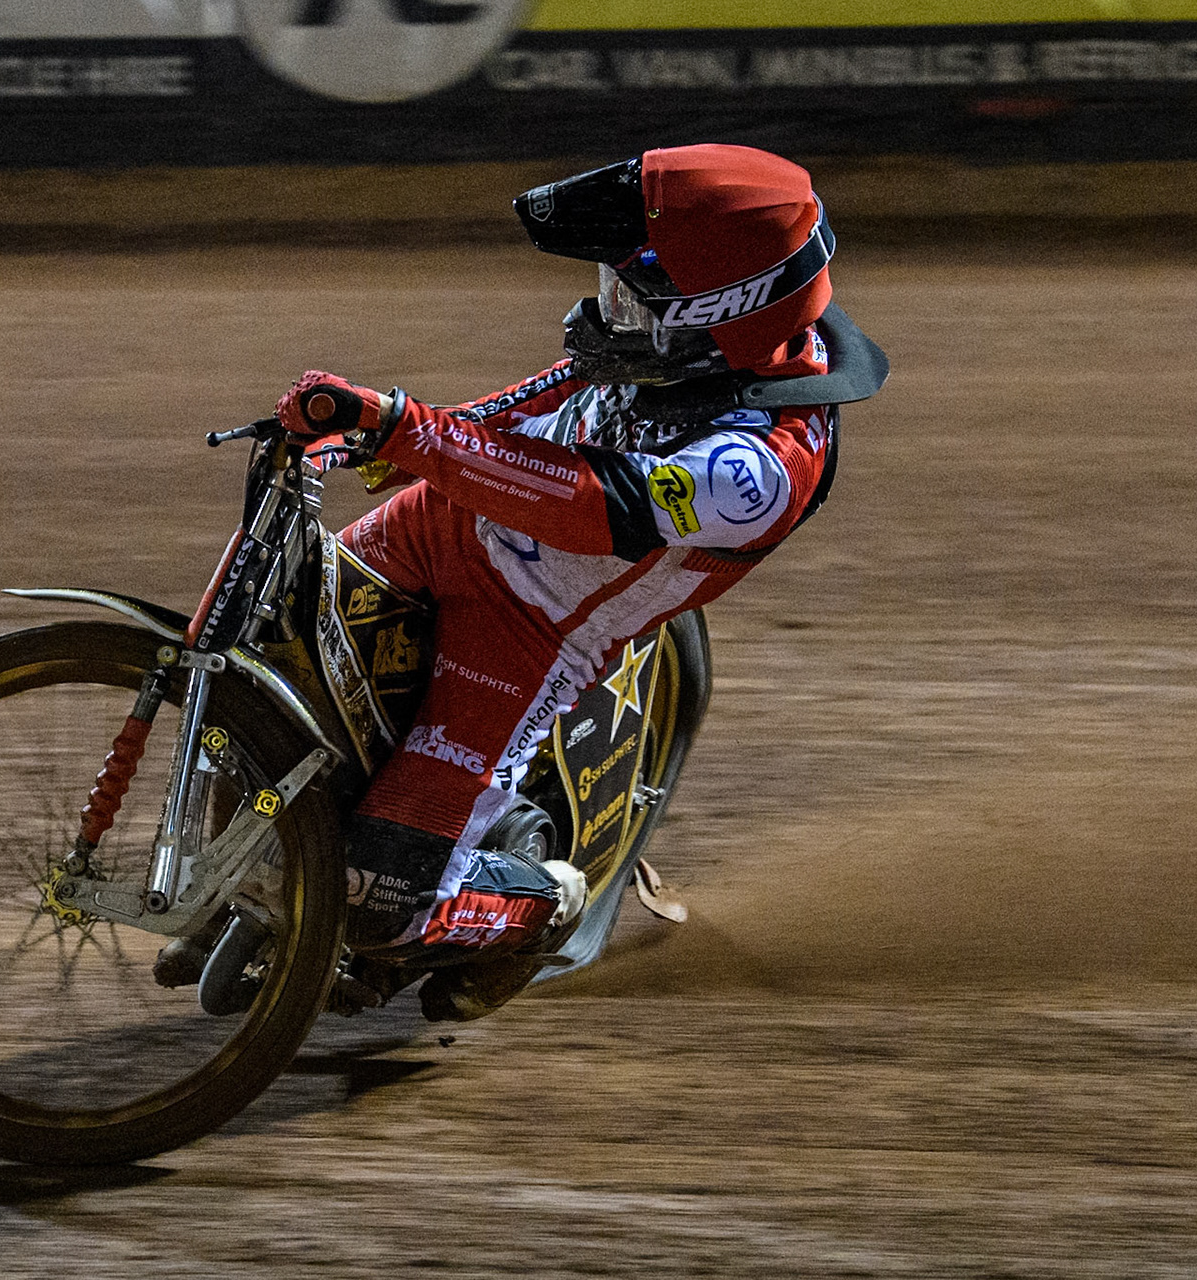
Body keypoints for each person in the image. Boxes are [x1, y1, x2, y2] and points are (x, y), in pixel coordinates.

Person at [275, 143, 885, 1021]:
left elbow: (581, 506)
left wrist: (416, 434)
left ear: (720, 316)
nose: (607, 312)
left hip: (529, 622)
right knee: (279, 637)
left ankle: (547, 903)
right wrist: (396, 436)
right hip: (440, 526)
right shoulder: (682, 350)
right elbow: (563, 388)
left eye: (633, 299)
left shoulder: (765, 469)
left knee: (379, 897)